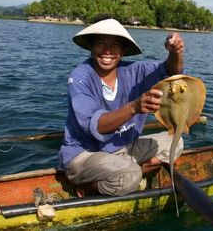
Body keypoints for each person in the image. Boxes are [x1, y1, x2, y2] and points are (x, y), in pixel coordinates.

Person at [58, 18, 185, 197]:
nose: (107, 51)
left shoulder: (134, 71)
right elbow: (98, 126)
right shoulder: (80, 77)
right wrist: (135, 106)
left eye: (115, 45)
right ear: (91, 47)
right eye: (101, 44)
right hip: (85, 155)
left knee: (176, 142)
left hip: (122, 148)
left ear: (123, 51)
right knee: (131, 175)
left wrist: (175, 52)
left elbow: (172, 72)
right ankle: (87, 189)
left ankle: (127, 173)